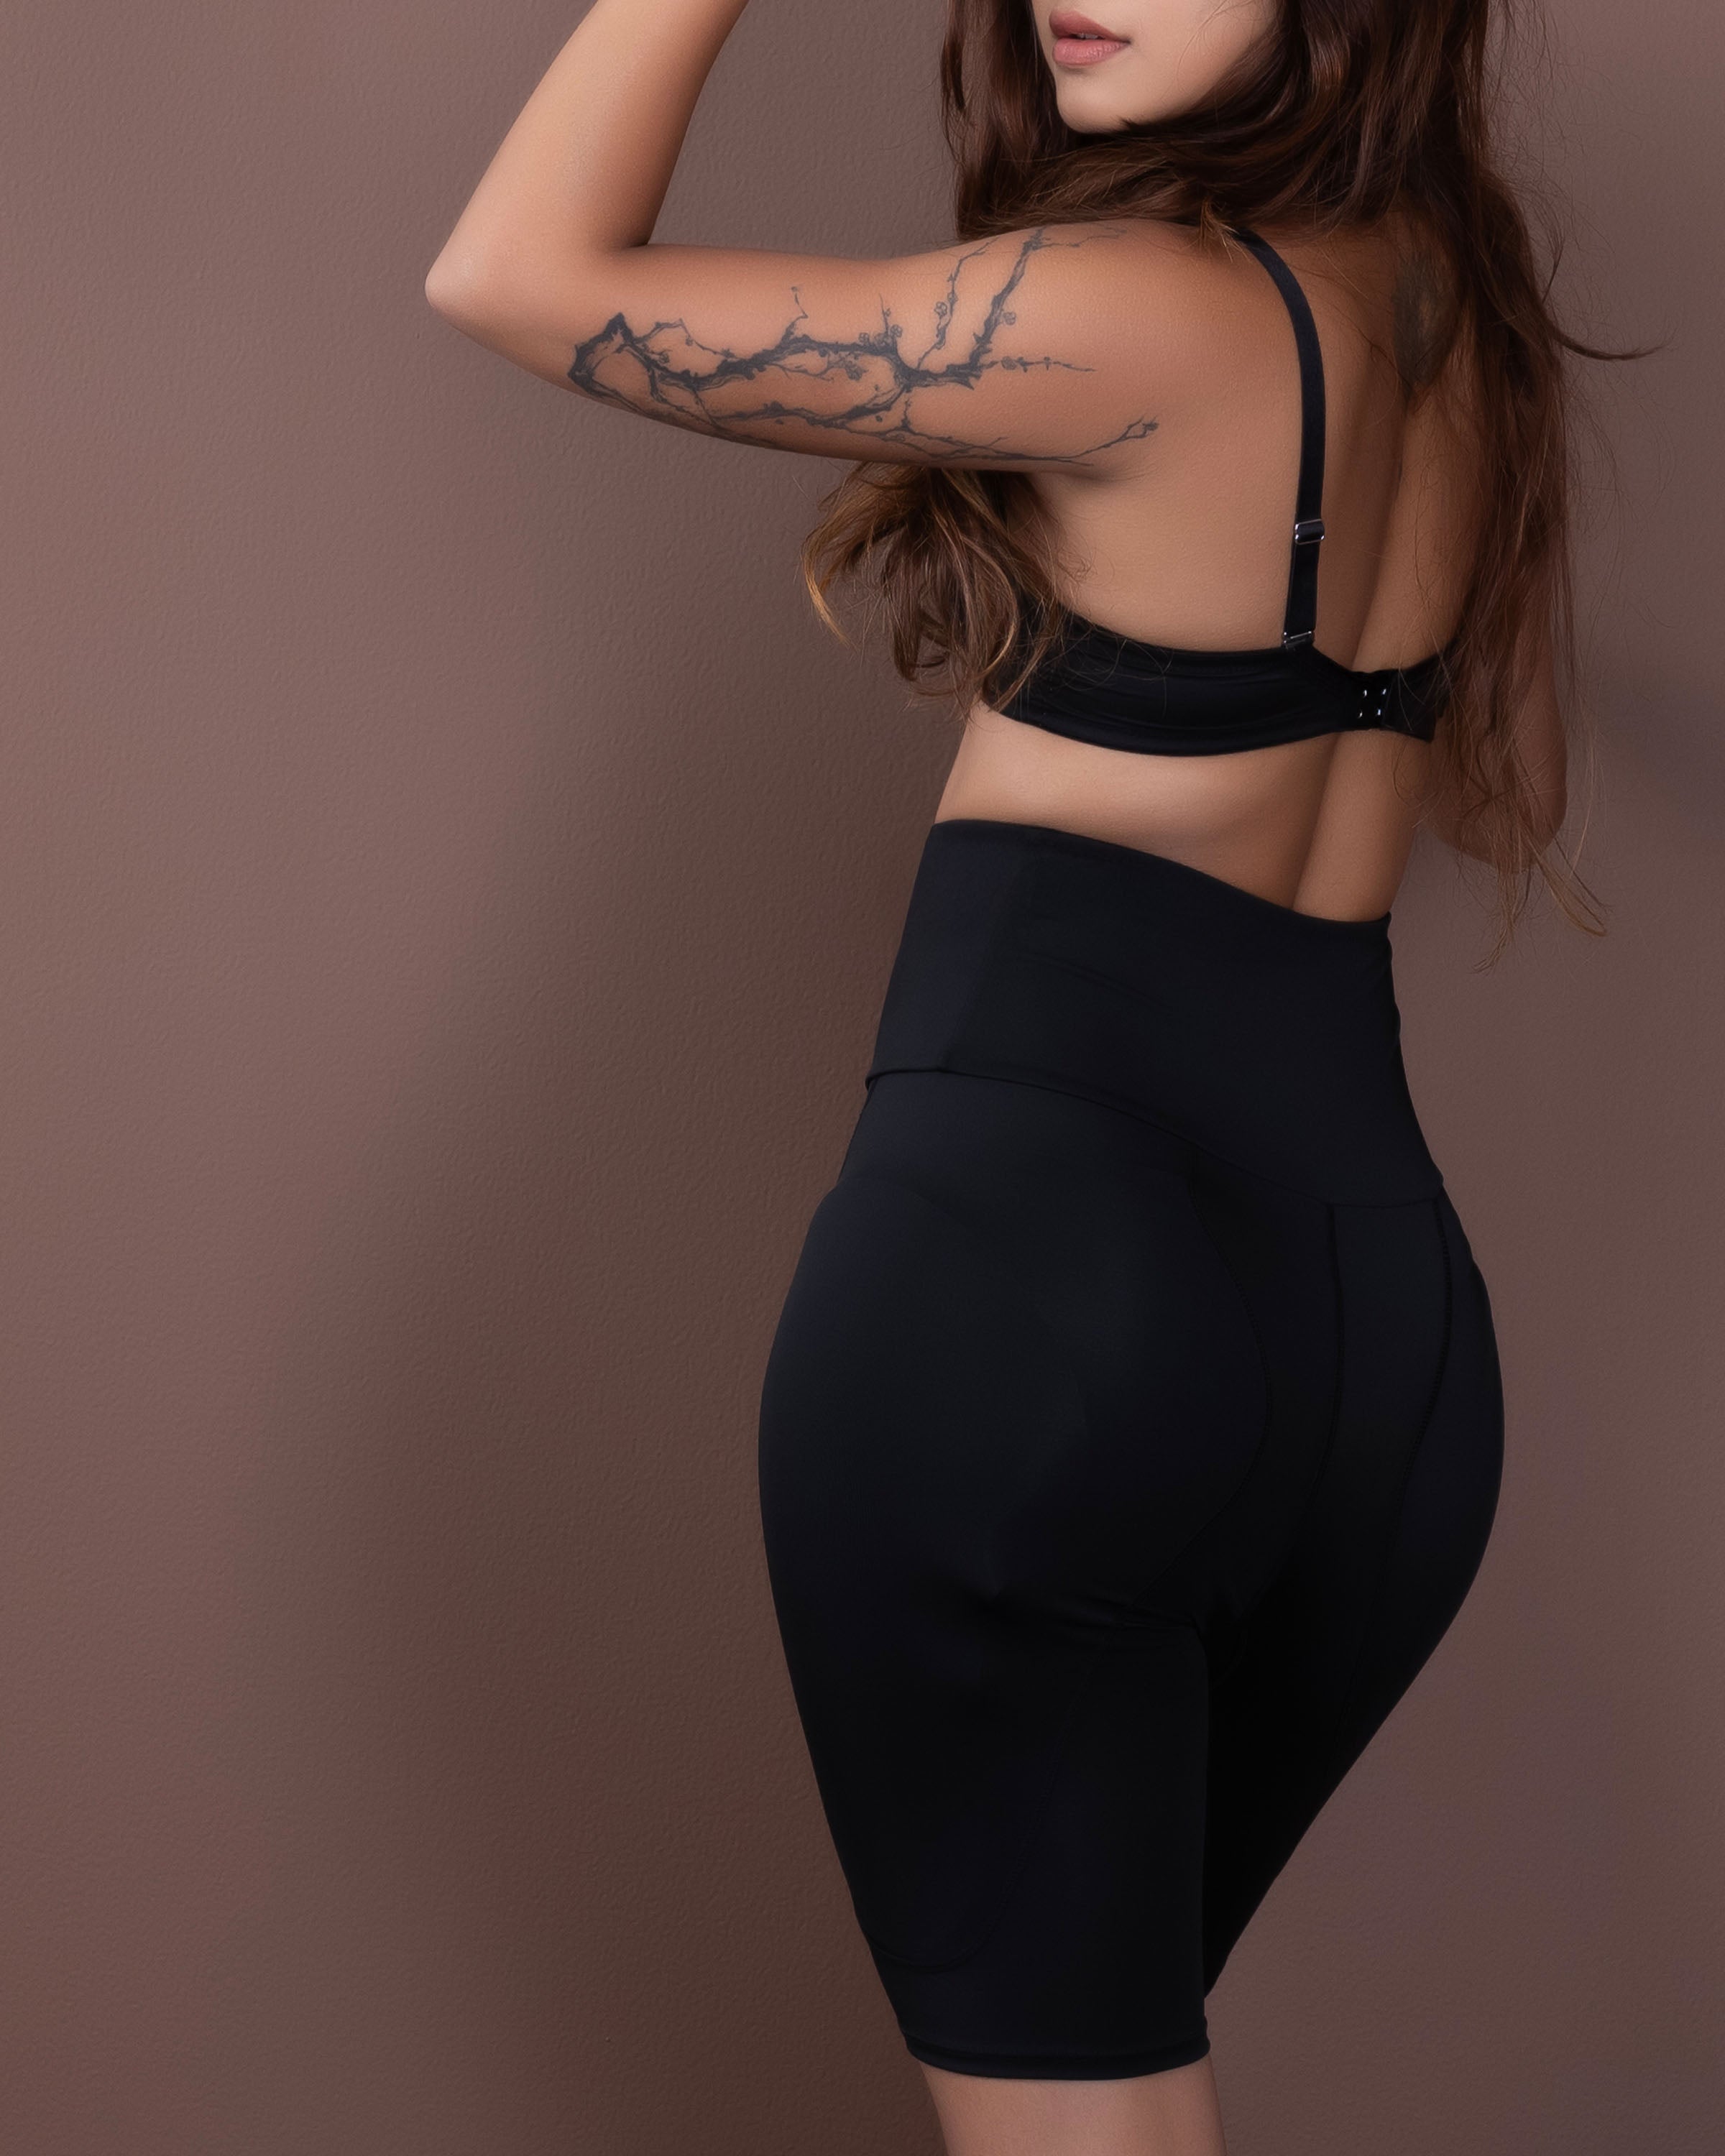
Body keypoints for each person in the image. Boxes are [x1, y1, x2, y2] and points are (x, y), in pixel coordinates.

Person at [426, 4, 1601, 2150]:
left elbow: (510, 269)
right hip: (1381, 1359)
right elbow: (1474, 743)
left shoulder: (1126, 313)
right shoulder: (1458, 311)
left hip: (1035, 1313)